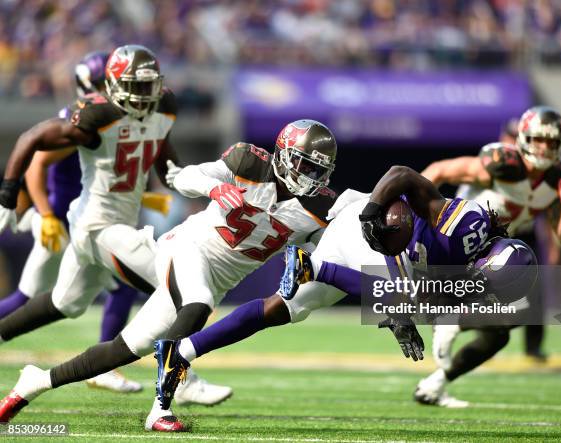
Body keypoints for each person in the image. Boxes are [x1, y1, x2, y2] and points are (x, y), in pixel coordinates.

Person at [0, 118, 339, 432]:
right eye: (305, 164)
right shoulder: (249, 162)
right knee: (199, 303)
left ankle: (33, 383)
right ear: (283, 153)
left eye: (318, 170)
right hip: (187, 248)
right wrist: (215, 189)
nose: (311, 176)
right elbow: (188, 176)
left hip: (218, 279)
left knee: (124, 349)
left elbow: (328, 251)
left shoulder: (320, 209)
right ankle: (161, 408)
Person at [145, 163, 538, 430]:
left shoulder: (476, 275)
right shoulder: (464, 226)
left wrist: (415, 318)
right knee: (402, 299)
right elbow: (402, 175)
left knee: (284, 309)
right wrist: (371, 211)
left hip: (383, 258)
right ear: (489, 260)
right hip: (373, 231)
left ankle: (181, 353)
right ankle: (313, 267)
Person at [0, 44, 231, 408]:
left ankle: (16, 352)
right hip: (98, 226)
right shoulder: (98, 115)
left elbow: (162, 154)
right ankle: (177, 377)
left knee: (66, 303)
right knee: (183, 290)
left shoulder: (164, 108)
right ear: (112, 84)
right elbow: (32, 140)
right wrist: (8, 193)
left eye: (147, 86)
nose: (142, 96)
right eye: (134, 87)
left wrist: (183, 180)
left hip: (104, 225)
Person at [0, 51, 149, 393]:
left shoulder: (113, 118)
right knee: (27, 301)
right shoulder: (82, 119)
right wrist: (47, 215)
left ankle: (105, 368)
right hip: (63, 221)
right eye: (102, 83)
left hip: (84, 220)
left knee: (122, 284)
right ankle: (105, 367)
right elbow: (36, 165)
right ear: (88, 85)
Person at [414, 106, 561, 406]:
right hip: (453, 249)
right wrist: (416, 220)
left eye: (551, 142)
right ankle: (453, 322)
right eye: (539, 139)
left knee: (501, 332)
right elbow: (439, 170)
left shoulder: (557, 180)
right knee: (520, 306)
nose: (544, 147)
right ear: (525, 139)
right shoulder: (503, 163)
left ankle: (434, 384)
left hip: (484, 257)